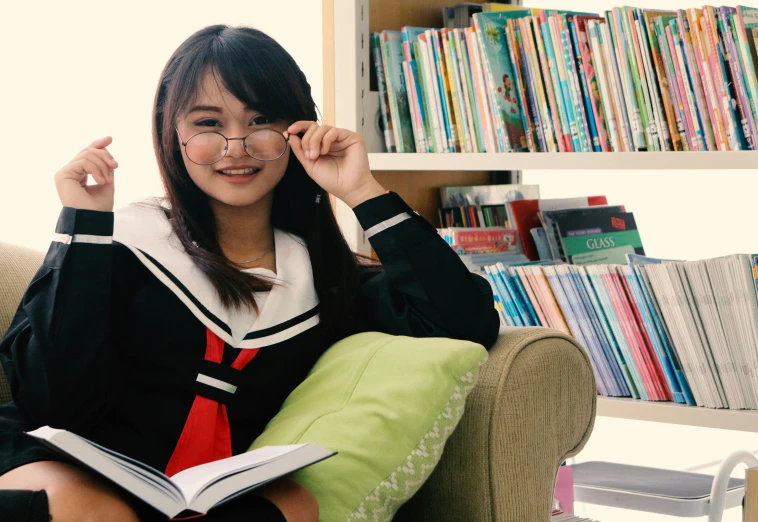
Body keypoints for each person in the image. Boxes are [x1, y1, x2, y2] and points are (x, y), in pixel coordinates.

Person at [0, 25, 499, 522]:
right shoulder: (122, 244)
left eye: (261, 119)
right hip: (79, 475)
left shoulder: (324, 279)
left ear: (297, 130)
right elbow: (52, 404)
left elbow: (464, 321)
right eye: (208, 123)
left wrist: (362, 190)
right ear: (173, 134)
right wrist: (84, 228)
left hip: (216, 499)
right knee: (77, 504)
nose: (235, 146)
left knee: (297, 504)